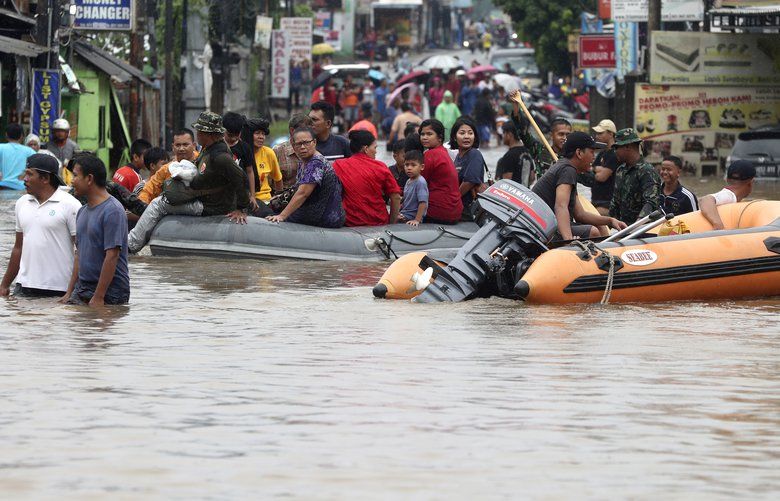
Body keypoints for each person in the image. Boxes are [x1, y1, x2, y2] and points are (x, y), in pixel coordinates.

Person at [128, 112, 249, 253]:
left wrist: (241, 208)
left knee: (158, 204)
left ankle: (130, 245)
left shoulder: (220, 156)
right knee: (165, 197)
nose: (197, 134)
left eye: (199, 131)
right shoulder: (208, 149)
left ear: (207, 134)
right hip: (203, 198)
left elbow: (241, 177)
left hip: (209, 206)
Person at [0, 154, 81, 298]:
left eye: (30, 174)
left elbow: (81, 252)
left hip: (59, 290)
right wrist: (5, 285)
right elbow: (18, 247)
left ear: (45, 179)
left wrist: (72, 292)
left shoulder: (71, 205)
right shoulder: (21, 203)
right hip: (23, 287)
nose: (24, 179)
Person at [60, 154, 130, 306]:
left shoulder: (113, 211)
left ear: (89, 179)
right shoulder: (82, 211)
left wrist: (99, 296)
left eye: (76, 175)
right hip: (83, 288)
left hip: (110, 291)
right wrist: (69, 292)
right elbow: (79, 254)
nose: (72, 181)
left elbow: (112, 255)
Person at [532, 132, 627, 241]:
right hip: (544, 228)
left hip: (551, 225)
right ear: (579, 153)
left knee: (600, 225)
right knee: (593, 232)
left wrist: (610, 221)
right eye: (591, 152)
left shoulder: (566, 168)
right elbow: (560, 206)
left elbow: (580, 214)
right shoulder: (568, 170)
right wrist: (568, 240)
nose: (593, 157)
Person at [266, 127, 345, 228]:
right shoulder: (304, 161)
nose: (302, 147)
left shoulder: (316, 162)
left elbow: (303, 193)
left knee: (268, 216)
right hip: (315, 211)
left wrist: (282, 216)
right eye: (298, 144)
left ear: (314, 142)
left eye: (306, 142)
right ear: (293, 146)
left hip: (324, 216)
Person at [333, 130, 400, 227]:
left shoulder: (338, 165)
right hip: (379, 222)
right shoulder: (380, 167)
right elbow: (396, 197)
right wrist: (392, 223)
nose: (376, 151)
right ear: (366, 148)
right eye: (375, 147)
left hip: (350, 223)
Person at [610, 128, 661, 224]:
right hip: (624, 229)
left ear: (627, 146)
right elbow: (615, 202)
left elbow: (651, 203)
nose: (615, 151)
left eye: (617, 147)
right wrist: (609, 224)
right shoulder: (620, 170)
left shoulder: (647, 171)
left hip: (644, 229)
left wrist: (637, 224)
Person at [419, 119, 462, 224]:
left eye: (429, 134)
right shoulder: (443, 151)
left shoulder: (430, 155)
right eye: (422, 134)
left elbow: (418, 183)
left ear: (440, 137)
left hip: (439, 211)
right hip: (455, 211)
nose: (425, 137)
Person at [138, 129, 198, 204]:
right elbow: (148, 191)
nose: (181, 149)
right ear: (173, 147)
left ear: (194, 145)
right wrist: (141, 205)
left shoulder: (202, 162)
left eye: (185, 145)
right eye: (178, 145)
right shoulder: (166, 169)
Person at [577, 119, 619, 216]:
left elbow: (601, 177)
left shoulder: (615, 154)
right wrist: (597, 169)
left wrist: (596, 170)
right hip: (596, 200)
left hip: (607, 203)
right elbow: (589, 168)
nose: (597, 136)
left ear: (611, 134)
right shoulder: (602, 153)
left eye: (601, 133)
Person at [700, 160, 755, 230]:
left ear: (727, 179)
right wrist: (718, 225)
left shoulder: (731, 198)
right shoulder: (729, 196)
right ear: (751, 182)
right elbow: (705, 200)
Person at [450, 117, 487, 218]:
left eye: (470, 133)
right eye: (462, 133)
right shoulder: (458, 157)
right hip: (460, 208)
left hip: (470, 211)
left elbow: (470, 180)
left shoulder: (475, 154)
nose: (467, 137)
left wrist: (453, 200)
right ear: (454, 137)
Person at [245, 117, 282, 214]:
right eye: (257, 133)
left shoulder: (269, 153)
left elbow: (278, 180)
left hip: (266, 201)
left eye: (263, 134)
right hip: (246, 201)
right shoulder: (241, 152)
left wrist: (278, 199)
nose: (261, 137)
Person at [223, 112, 257, 208]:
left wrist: (252, 196)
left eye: (236, 135)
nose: (233, 138)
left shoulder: (245, 148)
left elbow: (250, 171)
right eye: (230, 135)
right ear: (223, 130)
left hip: (240, 192)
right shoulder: (218, 146)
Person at [273, 113, 313, 189]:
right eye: (304, 131)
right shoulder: (278, 151)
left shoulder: (312, 149)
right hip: (283, 198)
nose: (308, 134)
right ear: (292, 130)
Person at [495, 120, 534, 187]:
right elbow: (532, 178)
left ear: (509, 135)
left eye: (504, 133)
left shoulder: (509, 156)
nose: (503, 136)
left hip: (512, 195)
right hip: (525, 194)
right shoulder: (527, 152)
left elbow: (506, 182)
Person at [0, 123, 35, 190]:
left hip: (2, 186)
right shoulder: (29, 151)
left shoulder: (1, 147)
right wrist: (25, 173)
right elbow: (37, 167)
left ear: (6, 135)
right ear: (22, 136)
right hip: (22, 187)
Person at [398, 150, 429, 226]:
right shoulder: (408, 181)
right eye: (406, 165)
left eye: (413, 165)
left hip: (412, 216)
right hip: (405, 213)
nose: (409, 168)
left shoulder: (420, 182)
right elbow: (405, 200)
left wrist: (417, 220)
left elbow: (423, 203)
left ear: (422, 167)